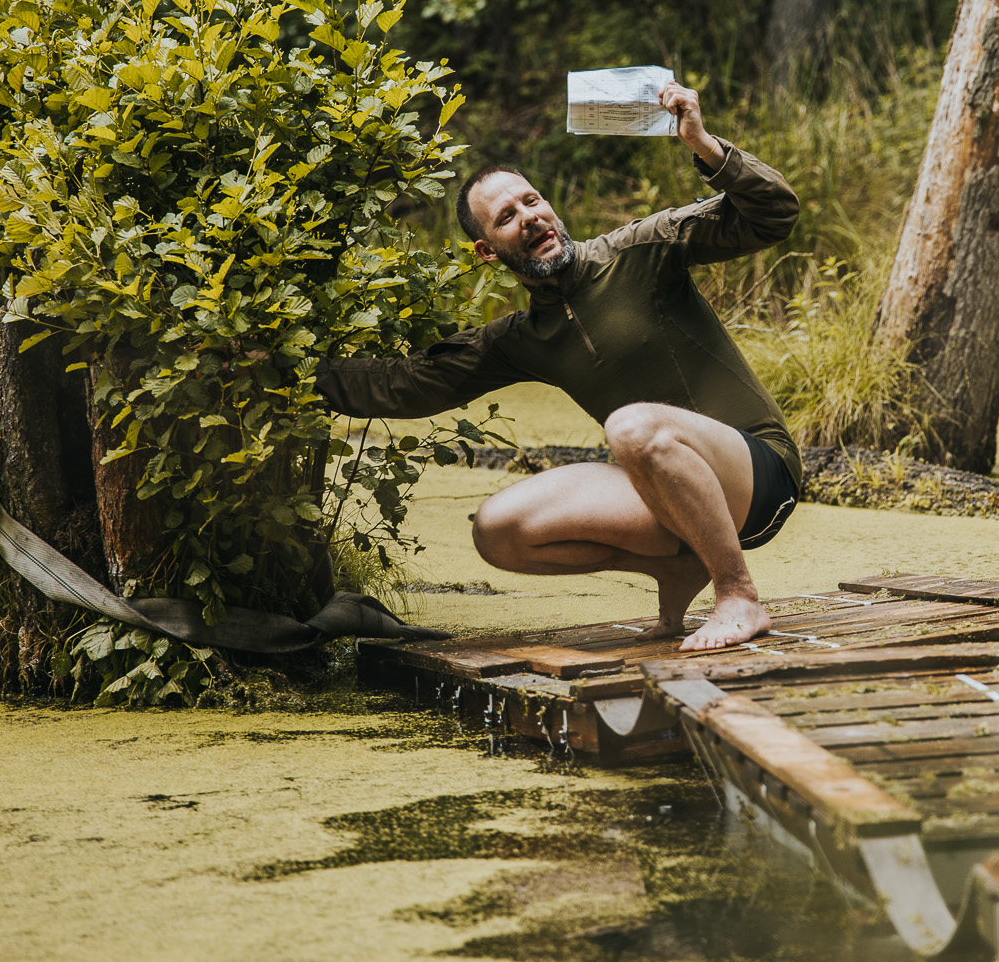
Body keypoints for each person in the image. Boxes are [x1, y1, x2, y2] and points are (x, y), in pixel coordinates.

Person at [313, 82, 800, 651]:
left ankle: (737, 592)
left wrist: (704, 145)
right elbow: (406, 386)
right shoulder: (522, 338)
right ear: (488, 251)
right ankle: (677, 568)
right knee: (499, 531)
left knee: (630, 425)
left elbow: (773, 214)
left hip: (758, 474)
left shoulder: (641, 249)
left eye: (533, 201)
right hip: (669, 497)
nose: (531, 217)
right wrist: (286, 372)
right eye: (506, 217)